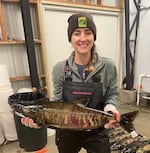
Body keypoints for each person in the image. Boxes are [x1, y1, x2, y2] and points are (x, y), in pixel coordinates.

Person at [21, 13, 121, 153]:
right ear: (70, 38)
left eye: (88, 32)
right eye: (76, 33)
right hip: (66, 132)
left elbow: (112, 93)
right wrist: (40, 120)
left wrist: (110, 108)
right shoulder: (60, 69)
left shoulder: (108, 66)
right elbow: (57, 103)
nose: (82, 38)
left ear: (94, 36)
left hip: (96, 129)